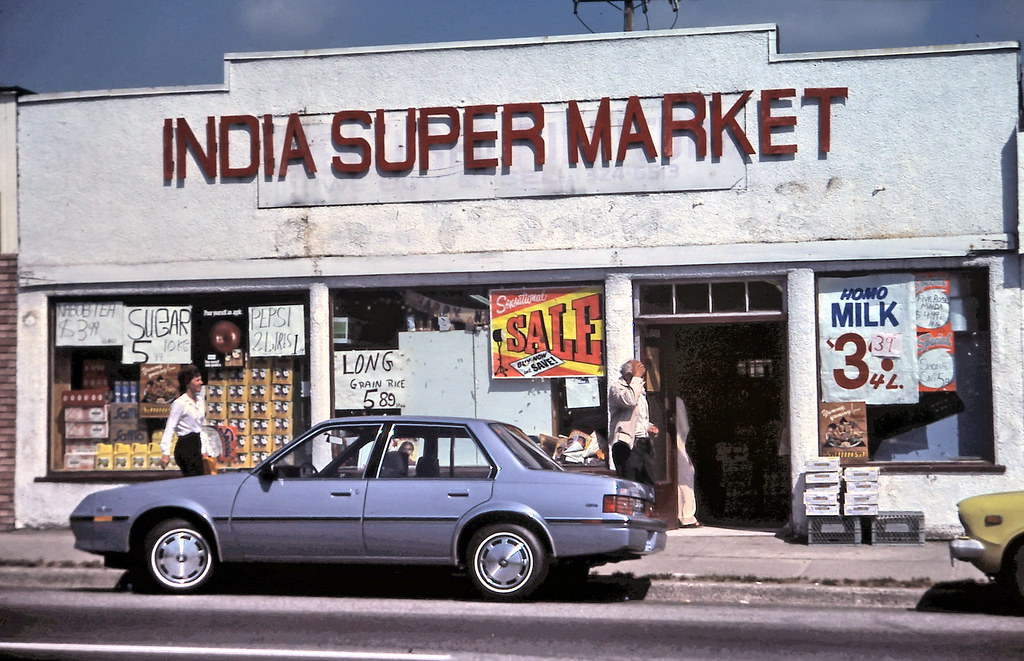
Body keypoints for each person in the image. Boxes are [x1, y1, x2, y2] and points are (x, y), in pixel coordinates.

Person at [608, 359, 659, 487]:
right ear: (628, 374)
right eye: (638, 371)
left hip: (643, 442)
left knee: (649, 483)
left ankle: (648, 507)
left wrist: (648, 426)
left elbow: (636, 416)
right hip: (627, 443)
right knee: (630, 486)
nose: (641, 375)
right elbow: (629, 401)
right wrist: (636, 377)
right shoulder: (617, 388)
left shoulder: (638, 389)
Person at [160, 365, 206, 476]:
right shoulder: (180, 403)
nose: (201, 382)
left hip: (197, 444)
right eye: (197, 380)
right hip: (185, 446)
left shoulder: (200, 401)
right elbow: (170, 427)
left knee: (201, 479)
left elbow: (202, 427)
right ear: (188, 383)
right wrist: (165, 452)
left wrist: (204, 449)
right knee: (192, 478)